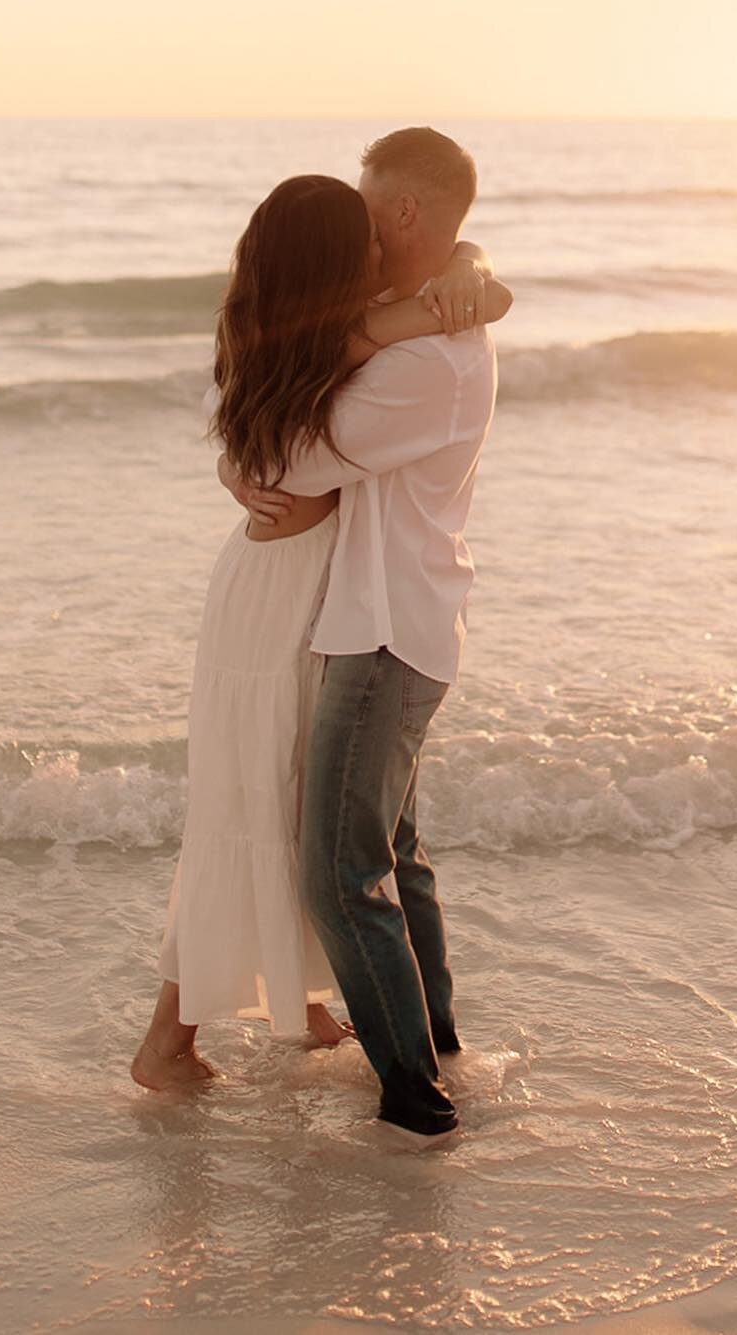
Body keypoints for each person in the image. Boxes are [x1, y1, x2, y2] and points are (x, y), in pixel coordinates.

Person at [130, 170, 511, 1091]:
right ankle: (166, 1045)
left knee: (283, 790)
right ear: (332, 265)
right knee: (254, 802)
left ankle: (300, 1007)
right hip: (288, 597)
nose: (380, 251)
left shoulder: (280, 330)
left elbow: (469, 288)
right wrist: (435, 303)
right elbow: (291, 456)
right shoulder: (332, 343)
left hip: (288, 583)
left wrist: (471, 263)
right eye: (364, 243)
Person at [223, 128, 498, 1148]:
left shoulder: (426, 361)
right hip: (401, 617)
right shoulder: (433, 329)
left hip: (385, 632)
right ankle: (437, 1048)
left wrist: (235, 464)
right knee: (394, 854)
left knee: (341, 869)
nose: (357, 216)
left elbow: (292, 461)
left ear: (409, 214)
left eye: (370, 200)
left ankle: (415, 1101)